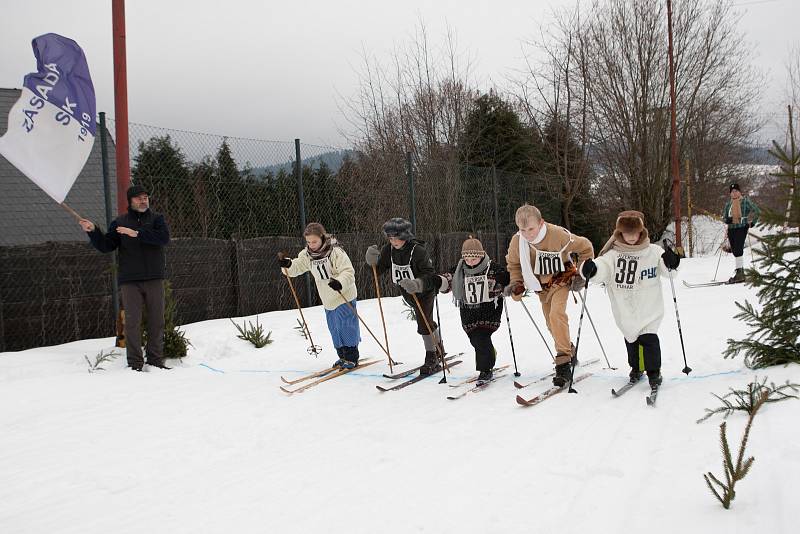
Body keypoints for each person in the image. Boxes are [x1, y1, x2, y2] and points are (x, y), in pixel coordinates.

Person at [579, 210, 680, 390]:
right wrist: (591, 269)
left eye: (635, 232)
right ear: (620, 233)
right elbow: (603, 267)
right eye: (627, 233)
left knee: (649, 339)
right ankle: (637, 367)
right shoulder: (613, 254)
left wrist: (671, 262)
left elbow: (668, 271)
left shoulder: (653, 251)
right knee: (631, 340)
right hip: (624, 308)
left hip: (649, 307)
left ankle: (654, 372)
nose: (632, 237)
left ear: (642, 232)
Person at [78, 185, 171, 372]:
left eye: (146, 197)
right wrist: (93, 231)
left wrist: (137, 234)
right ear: (130, 201)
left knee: (156, 321)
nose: (143, 200)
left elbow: (163, 238)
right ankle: (135, 364)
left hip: (154, 277)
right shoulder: (120, 222)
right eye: (139, 198)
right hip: (130, 280)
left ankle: (155, 361)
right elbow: (106, 245)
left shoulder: (156, 219)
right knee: (132, 322)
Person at [505, 204, 594, 386]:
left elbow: (585, 247)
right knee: (550, 323)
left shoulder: (557, 234)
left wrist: (583, 273)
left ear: (541, 223)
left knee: (556, 314)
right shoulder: (517, 242)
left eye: (531, 229)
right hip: (540, 286)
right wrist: (516, 283)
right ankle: (569, 349)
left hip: (561, 279)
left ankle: (563, 364)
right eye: (522, 230)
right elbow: (514, 265)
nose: (528, 234)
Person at [365, 218, 443, 375]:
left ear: (405, 235)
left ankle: (431, 357)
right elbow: (378, 270)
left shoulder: (418, 251)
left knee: (423, 323)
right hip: (407, 293)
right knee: (426, 321)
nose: (393, 241)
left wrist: (417, 284)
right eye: (390, 237)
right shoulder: (389, 250)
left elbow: (430, 274)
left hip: (424, 292)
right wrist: (371, 262)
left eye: (396, 237)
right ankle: (439, 346)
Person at [278, 223, 361, 369]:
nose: (311, 245)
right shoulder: (307, 255)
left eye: (314, 241)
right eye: (308, 242)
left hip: (343, 295)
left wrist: (340, 282)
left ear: (322, 238)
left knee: (346, 326)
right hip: (328, 299)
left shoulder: (335, 252)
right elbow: (298, 266)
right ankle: (342, 356)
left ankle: (352, 357)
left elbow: (348, 272)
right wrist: (288, 264)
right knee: (334, 328)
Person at [437, 236, 510, 385]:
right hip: (468, 310)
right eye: (467, 259)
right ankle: (489, 353)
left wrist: (506, 282)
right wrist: (436, 281)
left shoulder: (492, 268)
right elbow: (447, 279)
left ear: (481, 255)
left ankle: (485, 370)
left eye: (474, 259)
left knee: (481, 338)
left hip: (489, 309)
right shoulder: (459, 270)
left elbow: (507, 279)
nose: (470, 262)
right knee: (474, 338)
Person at [722, 183, 759, 284]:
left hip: (741, 228)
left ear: (739, 192)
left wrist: (753, 223)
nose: (734, 193)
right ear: (730, 193)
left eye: (736, 191)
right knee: (735, 251)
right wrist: (727, 220)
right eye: (732, 191)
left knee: (738, 250)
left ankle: (740, 274)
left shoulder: (745, 201)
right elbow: (724, 217)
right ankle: (740, 271)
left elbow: (757, 211)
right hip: (731, 229)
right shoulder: (728, 204)